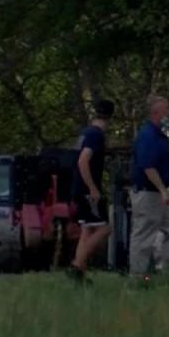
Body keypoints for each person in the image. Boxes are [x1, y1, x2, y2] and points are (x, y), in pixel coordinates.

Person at [129, 95, 169, 277]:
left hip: (157, 194)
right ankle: (137, 276)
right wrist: (163, 190)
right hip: (148, 193)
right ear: (156, 113)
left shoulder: (160, 135)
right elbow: (148, 166)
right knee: (143, 235)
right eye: (167, 109)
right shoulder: (148, 135)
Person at [67, 99, 115, 284]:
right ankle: (77, 265)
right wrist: (93, 188)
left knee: (87, 230)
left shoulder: (85, 133)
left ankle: (80, 276)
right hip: (88, 190)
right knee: (105, 229)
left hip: (78, 188)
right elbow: (83, 161)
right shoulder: (96, 135)